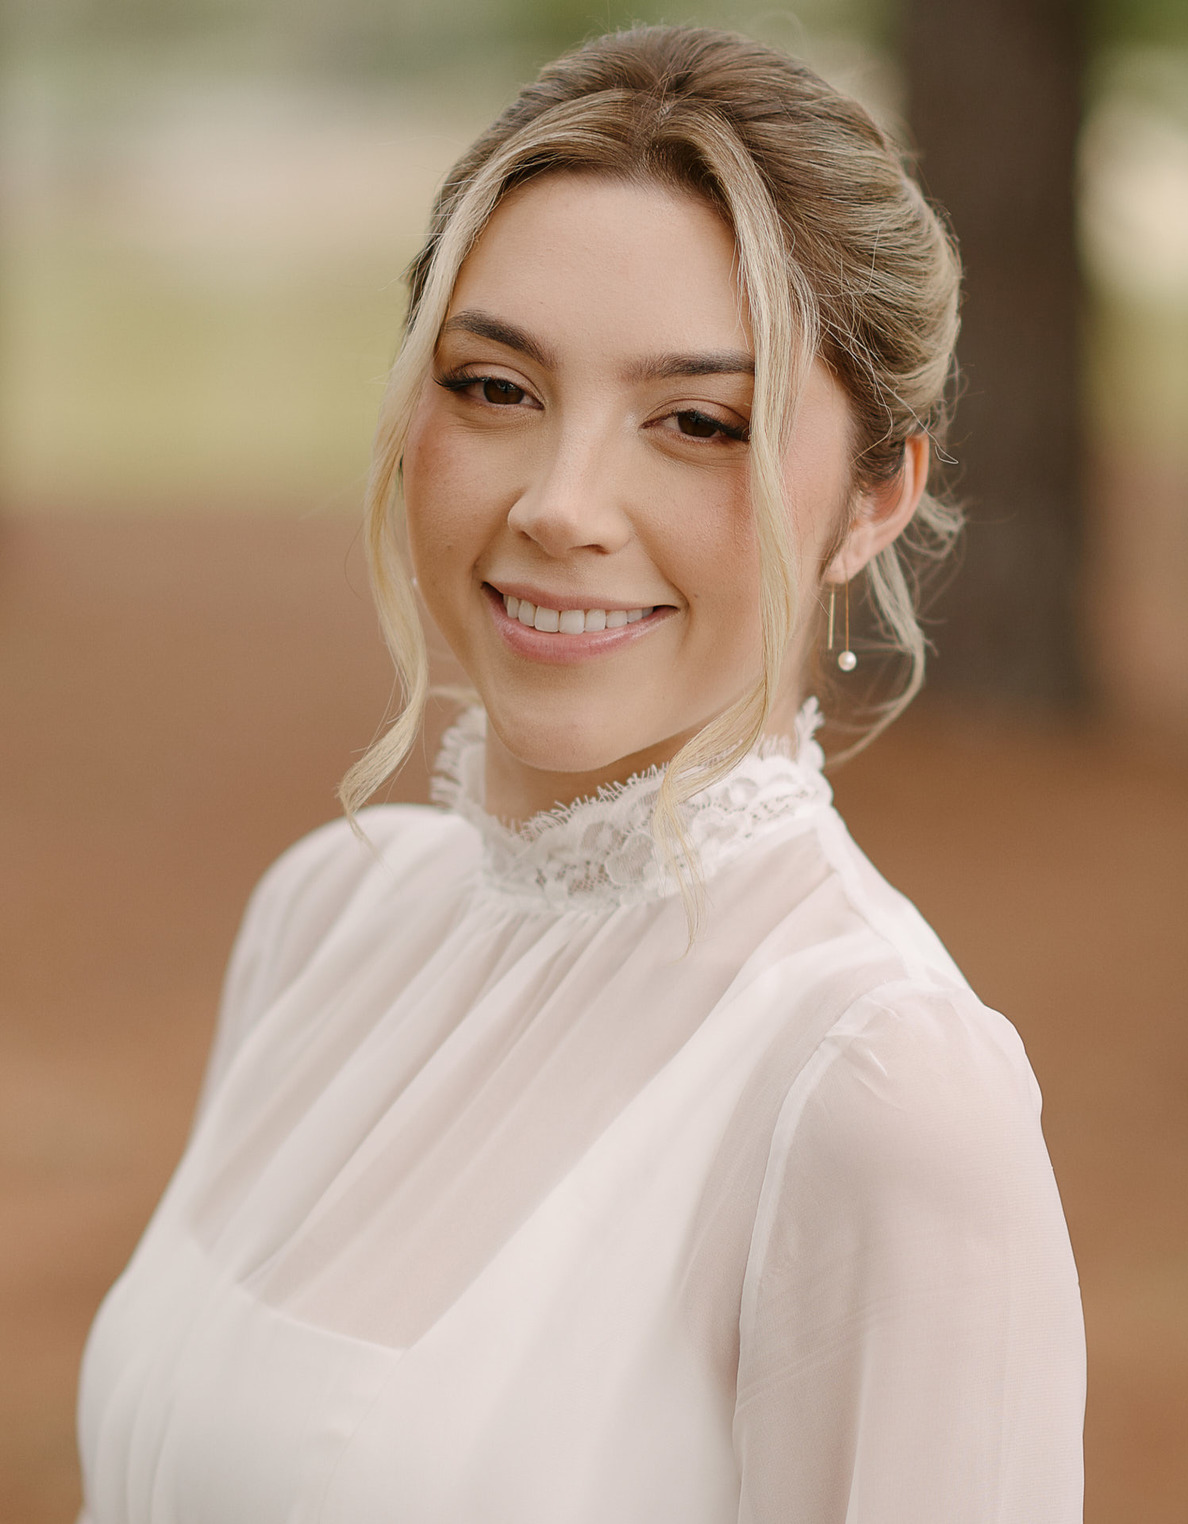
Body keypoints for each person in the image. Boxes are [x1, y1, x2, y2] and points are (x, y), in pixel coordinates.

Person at [76, 25, 1086, 1523]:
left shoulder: (880, 1090)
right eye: (495, 389)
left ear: (876, 496)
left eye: (697, 424)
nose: (561, 505)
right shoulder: (325, 919)